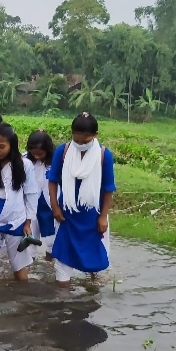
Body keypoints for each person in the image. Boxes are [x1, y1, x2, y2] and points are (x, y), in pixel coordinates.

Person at [47, 112, 117, 287]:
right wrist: (55, 206)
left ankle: (92, 289)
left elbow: (108, 188)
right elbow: (53, 180)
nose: (80, 144)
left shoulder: (104, 155)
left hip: (93, 216)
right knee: (63, 261)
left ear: (95, 136)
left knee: (94, 261)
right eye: (76, 140)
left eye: (85, 141)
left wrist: (103, 217)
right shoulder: (62, 152)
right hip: (66, 214)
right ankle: (62, 300)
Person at [0, 123, 39, 281]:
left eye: (2, 146)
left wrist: (28, 222)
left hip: (17, 221)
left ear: (12, 144)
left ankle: (22, 300)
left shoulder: (24, 165)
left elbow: (31, 194)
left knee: (20, 269)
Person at [25, 129, 58, 262]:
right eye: (34, 154)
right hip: (31, 204)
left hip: (49, 205)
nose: (37, 156)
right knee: (30, 238)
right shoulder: (25, 160)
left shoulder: (56, 161)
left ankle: (50, 262)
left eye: (40, 154)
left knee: (52, 239)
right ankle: (29, 264)